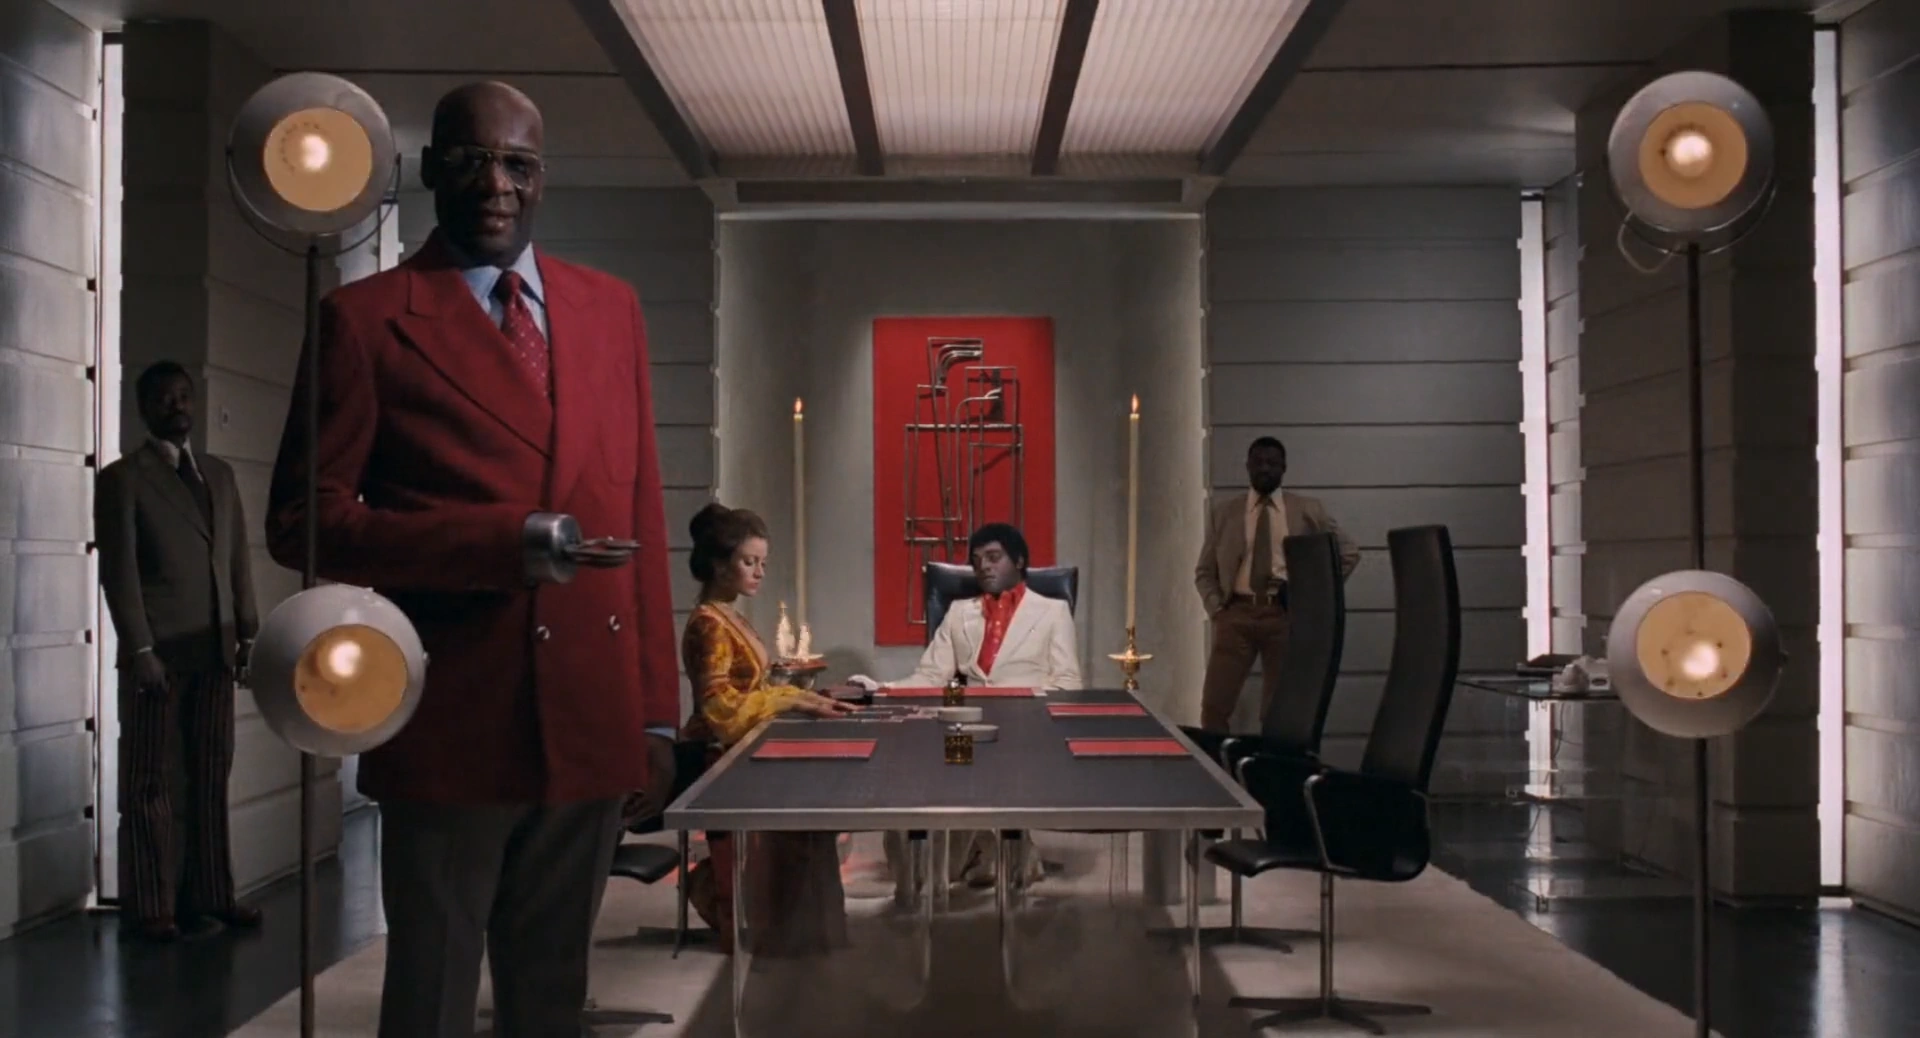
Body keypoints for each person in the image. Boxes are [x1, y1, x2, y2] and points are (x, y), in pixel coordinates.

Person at [264, 82, 681, 1038]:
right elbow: (304, 524)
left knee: (552, 1001)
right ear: (428, 170)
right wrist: (498, 545)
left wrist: (656, 714)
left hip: (585, 713)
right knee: (433, 999)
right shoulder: (366, 319)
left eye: (518, 165)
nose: (497, 185)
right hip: (453, 718)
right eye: (471, 161)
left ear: (543, 178)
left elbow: (641, 517)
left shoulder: (609, 309)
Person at [95, 360, 263, 942]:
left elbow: (237, 558)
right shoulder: (123, 479)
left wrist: (248, 633)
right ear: (144, 407)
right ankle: (153, 905)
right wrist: (139, 647)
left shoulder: (218, 474)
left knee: (210, 775)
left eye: (185, 396)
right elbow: (119, 572)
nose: (178, 406)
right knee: (152, 782)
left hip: (213, 649)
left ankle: (211, 895)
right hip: (159, 655)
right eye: (165, 398)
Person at [849, 522, 1082, 889]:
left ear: (1019, 561)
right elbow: (930, 676)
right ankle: (951, 865)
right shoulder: (960, 612)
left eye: (994, 557)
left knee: (975, 782)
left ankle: (991, 857)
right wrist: (882, 689)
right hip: (966, 725)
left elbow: (1068, 684)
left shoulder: (1052, 612)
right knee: (916, 780)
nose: (984, 566)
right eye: (977, 561)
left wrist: (1019, 700)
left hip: (1026, 727)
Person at [679, 503, 855, 955]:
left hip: (743, 749)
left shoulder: (730, 615)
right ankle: (779, 930)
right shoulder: (708, 624)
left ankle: (808, 933)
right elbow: (721, 712)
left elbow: (756, 691)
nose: (759, 572)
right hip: (720, 757)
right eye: (748, 561)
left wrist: (811, 700)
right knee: (802, 810)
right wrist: (792, 699)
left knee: (815, 806)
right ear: (719, 564)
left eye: (762, 563)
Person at [1194, 435, 1359, 733]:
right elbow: (1205, 570)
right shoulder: (1225, 513)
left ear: (1284, 468)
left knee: (1278, 708)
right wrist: (1217, 610)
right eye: (1258, 462)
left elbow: (1348, 553)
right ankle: (1212, 759)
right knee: (1214, 704)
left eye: (1272, 463)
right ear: (1247, 466)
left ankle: (1269, 762)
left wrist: (1310, 596)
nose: (1265, 469)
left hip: (1284, 616)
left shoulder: (1307, 510)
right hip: (1237, 614)